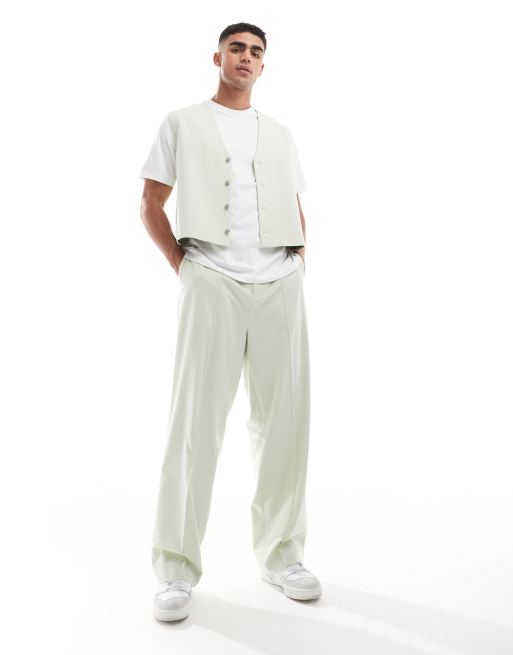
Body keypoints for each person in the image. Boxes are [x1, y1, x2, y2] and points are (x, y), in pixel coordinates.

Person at [139, 22, 322, 622]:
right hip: (211, 278)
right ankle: (174, 567)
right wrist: (183, 265)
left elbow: (294, 205)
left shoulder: (281, 134)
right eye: (237, 48)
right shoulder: (181, 123)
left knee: (286, 424)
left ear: (264, 66)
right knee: (194, 422)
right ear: (217, 57)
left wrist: (298, 263)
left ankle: (282, 556)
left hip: (280, 283)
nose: (246, 57)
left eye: (256, 52)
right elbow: (151, 203)